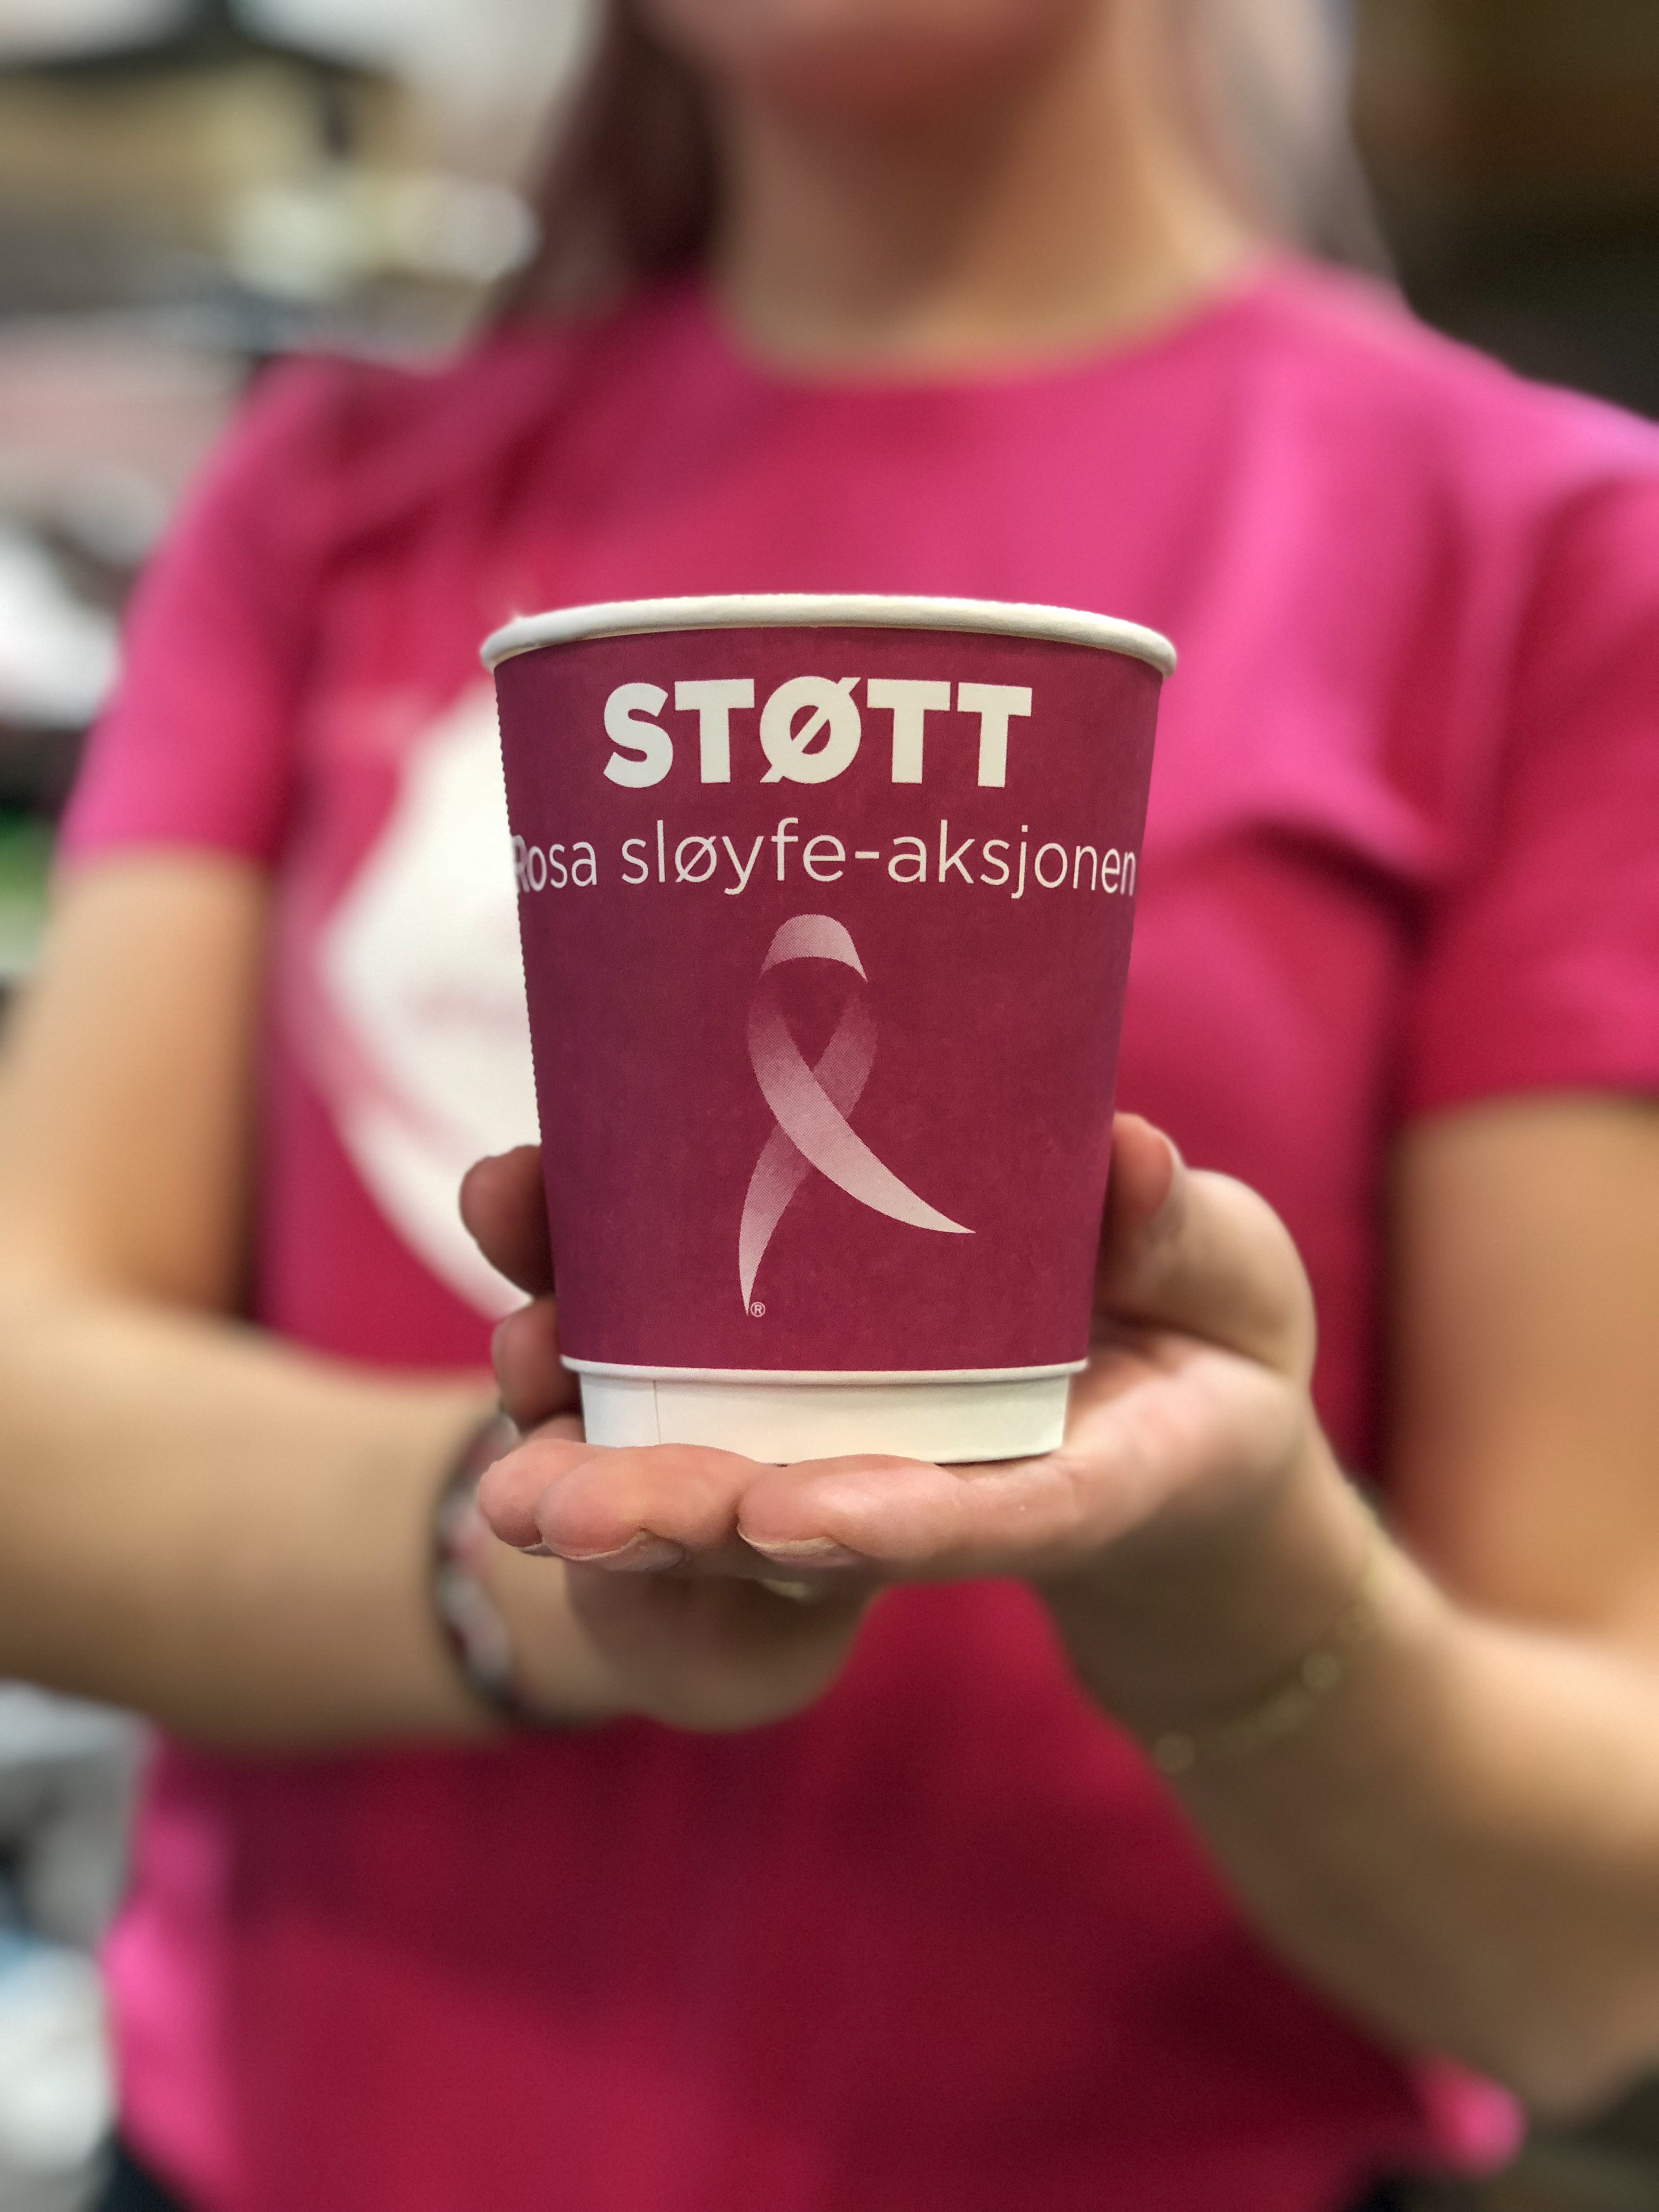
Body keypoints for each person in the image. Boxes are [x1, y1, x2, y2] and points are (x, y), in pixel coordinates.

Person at [1, 1, 1657, 2207]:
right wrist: (573, 1554)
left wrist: (1235, 1578)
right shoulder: (329, 493)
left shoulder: (1551, 554)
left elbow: (1584, 1965)